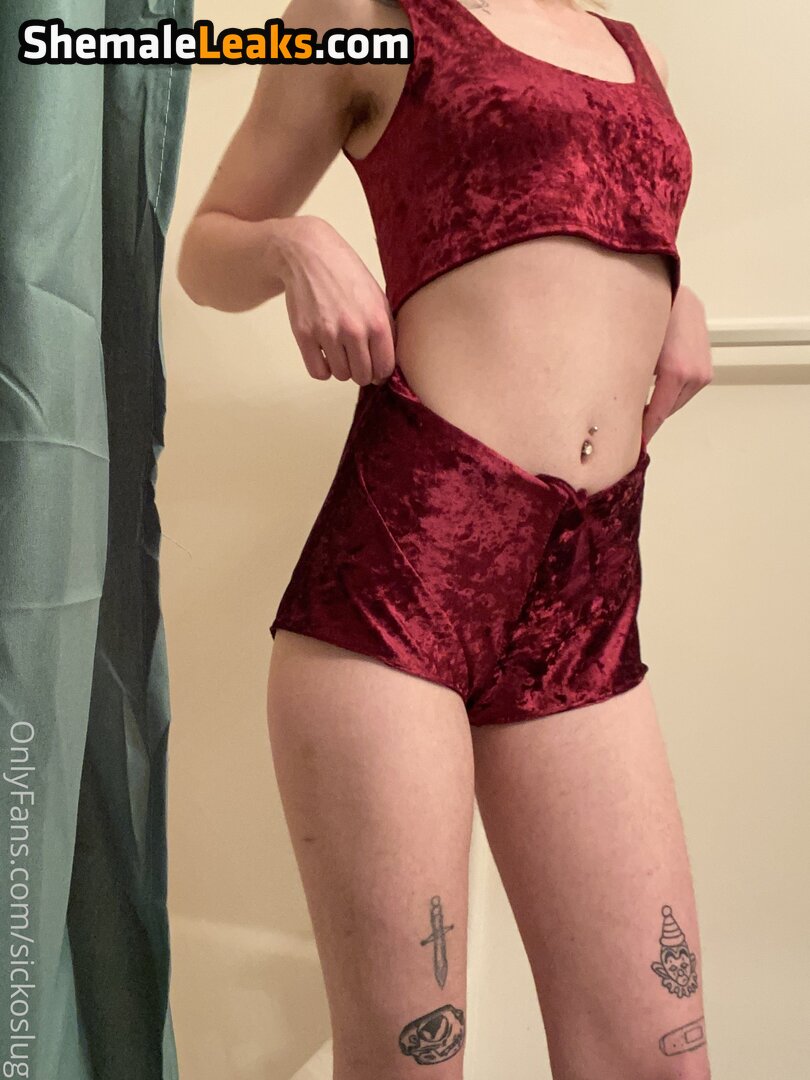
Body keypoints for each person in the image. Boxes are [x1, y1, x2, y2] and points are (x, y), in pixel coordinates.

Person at [178, 1, 714, 1076]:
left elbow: (570, 220)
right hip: (407, 576)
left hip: (588, 588)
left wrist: (679, 292)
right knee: (410, 1064)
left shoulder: (623, 41)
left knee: (658, 1057)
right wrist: (293, 242)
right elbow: (207, 249)